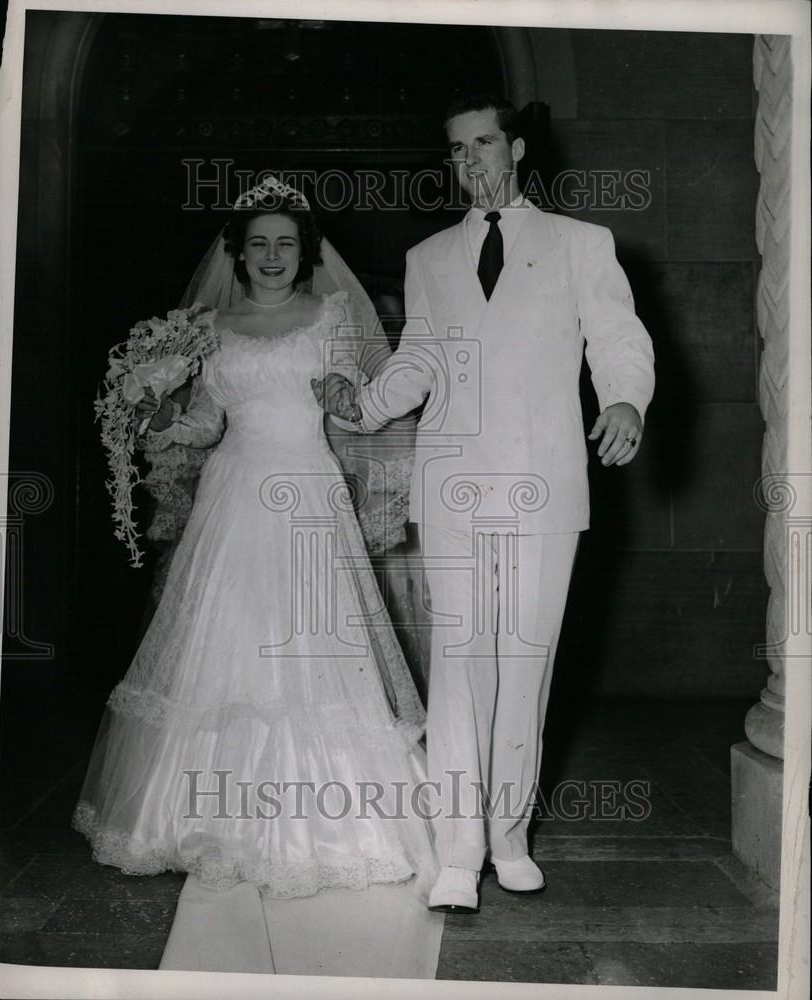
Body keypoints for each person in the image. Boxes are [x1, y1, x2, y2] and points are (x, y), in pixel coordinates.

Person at [73, 177, 441, 975]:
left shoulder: (336, 316)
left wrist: (348, 398)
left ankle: (331, 821)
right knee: (225, 644)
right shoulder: (205, 327)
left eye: (286, 243)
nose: (273, 256)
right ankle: (202, 817)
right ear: (236, 252)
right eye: (259, 243)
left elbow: (354, 409)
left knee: (313, 650)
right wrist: (159, 411)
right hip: (232, 496)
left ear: (304, 252)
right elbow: (206, 422)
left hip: (307, 491)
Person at [314, 93, 655, 914]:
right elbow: (419, 361)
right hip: (454, 487)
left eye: (481, 145)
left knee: (525, 661)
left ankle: (509, 840)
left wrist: (624, 401)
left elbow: (616, 335)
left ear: (517, 150)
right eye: (455, 151)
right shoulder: (430, 256)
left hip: (544, 485)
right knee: (462, 662)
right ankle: (458, 852)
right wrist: (359, 402)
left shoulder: (581, 243)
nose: (467, 163)